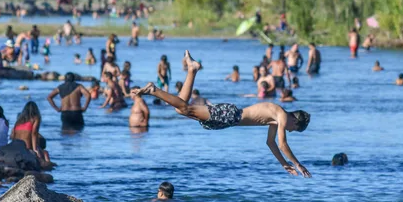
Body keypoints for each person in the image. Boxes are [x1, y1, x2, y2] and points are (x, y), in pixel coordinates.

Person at [133, 51, 311, 177]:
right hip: (230, 115)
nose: (289, 131)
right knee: (184, 108)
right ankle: (154, 89)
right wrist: (297, 163)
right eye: (293, 129)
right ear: (295, 120)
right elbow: (282, 143)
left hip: (228, 122)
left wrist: (284, 164)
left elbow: (270, 143)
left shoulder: (275, 120)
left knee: (180, 108)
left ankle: (192, 69)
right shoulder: (280, 114)